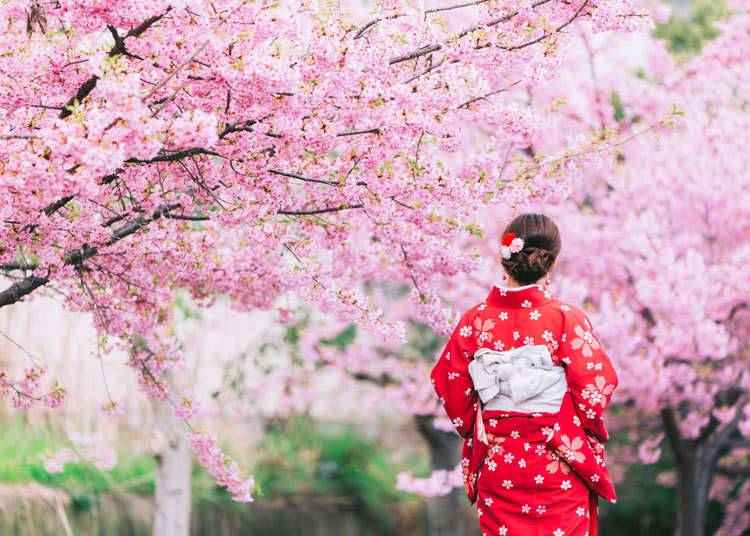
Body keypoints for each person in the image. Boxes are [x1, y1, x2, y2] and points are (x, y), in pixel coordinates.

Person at [430, 213, 619, 536]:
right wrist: (564, 431)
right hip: (557, 458)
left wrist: (482, 427)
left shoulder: (474, 321)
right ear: (552, 262)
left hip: (500, 459)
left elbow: (448, 383)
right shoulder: (567, 319)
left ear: (505, 260)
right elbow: (594, 389)